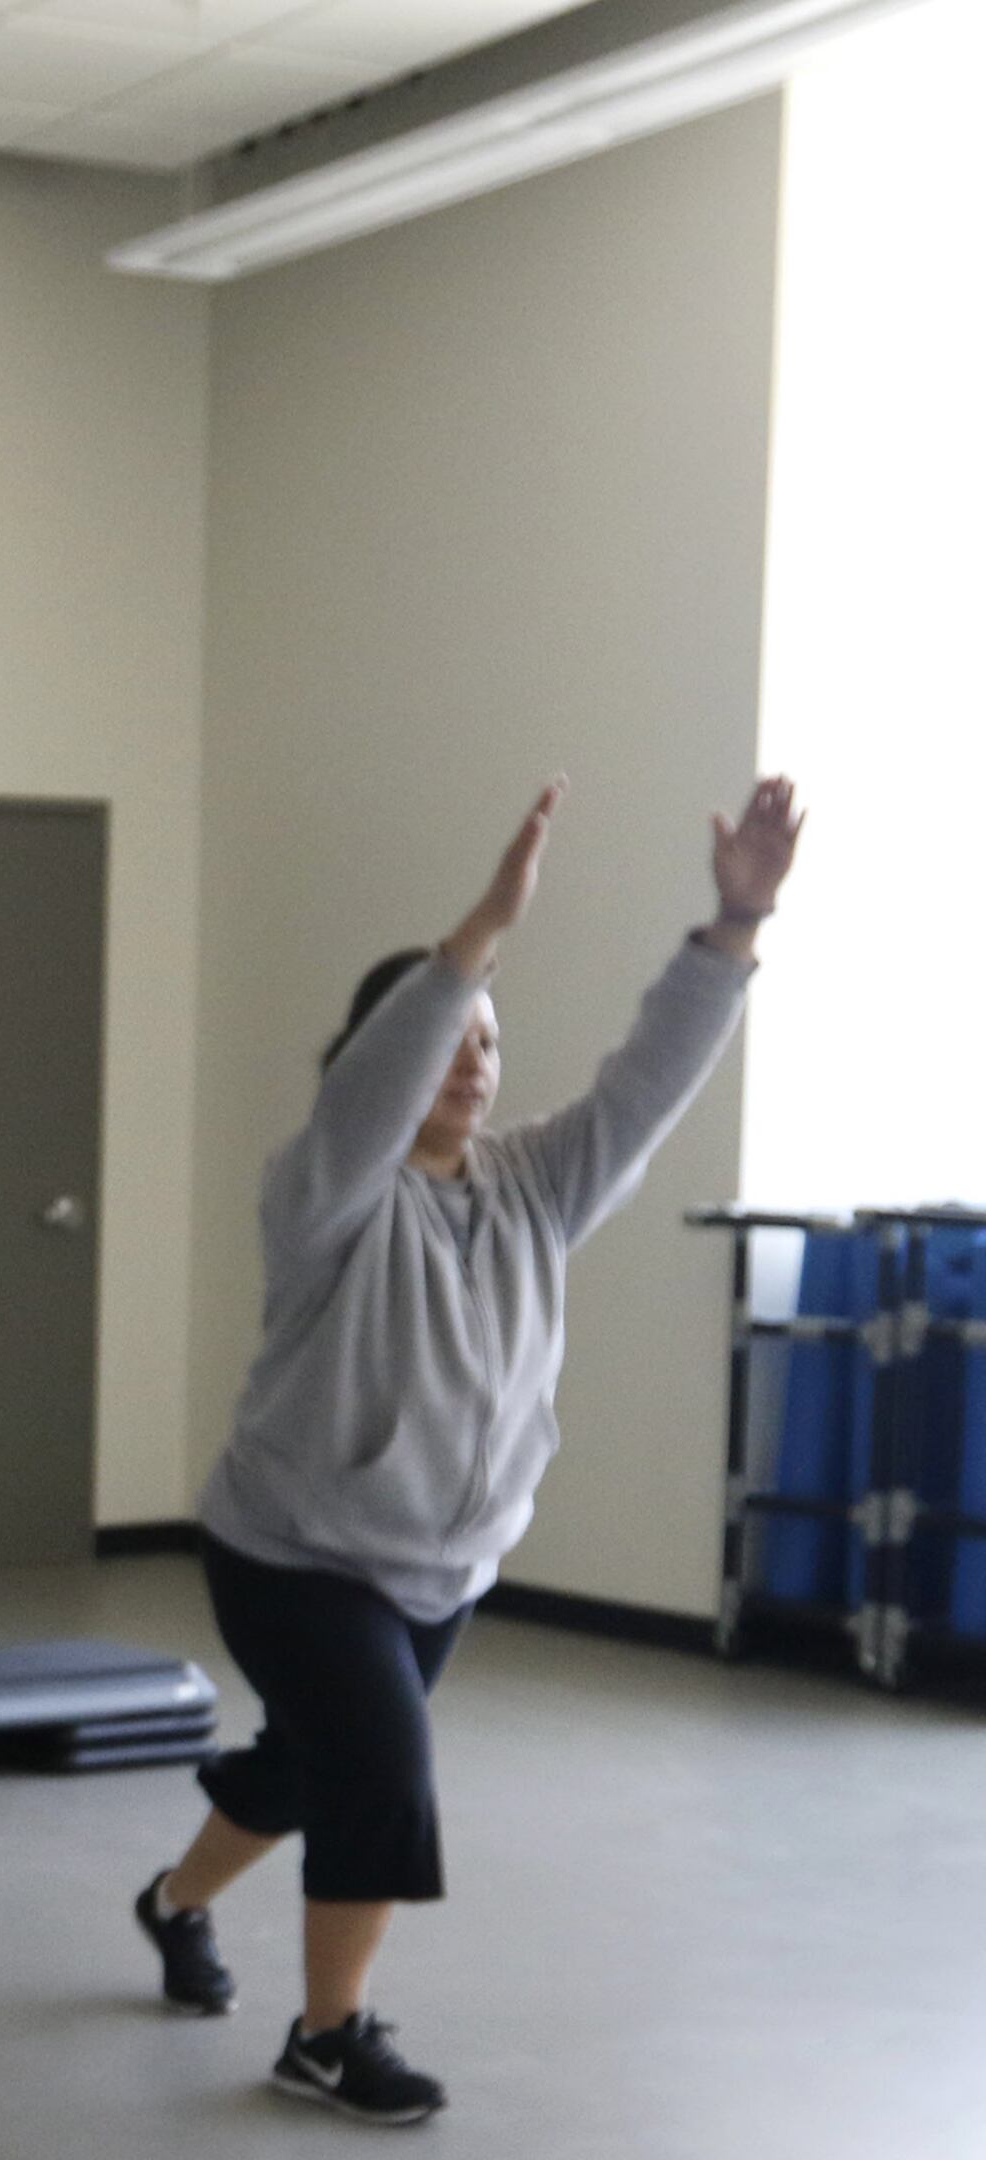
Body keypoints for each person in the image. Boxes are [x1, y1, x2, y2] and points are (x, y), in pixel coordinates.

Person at [128, 777, 803, 2127]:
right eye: (448, 1039)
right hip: (292, 1551)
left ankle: (171, 1900)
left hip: (445, 1563)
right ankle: (328, 2035)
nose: (474, 1061)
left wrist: (732, 927)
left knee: (310, 1764)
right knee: (380, 1768)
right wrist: (477, 937)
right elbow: (383, 1077)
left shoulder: (537, 1184)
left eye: (489, 1042)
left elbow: (647, 1082)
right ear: (377, 1062)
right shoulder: (324, 1192)